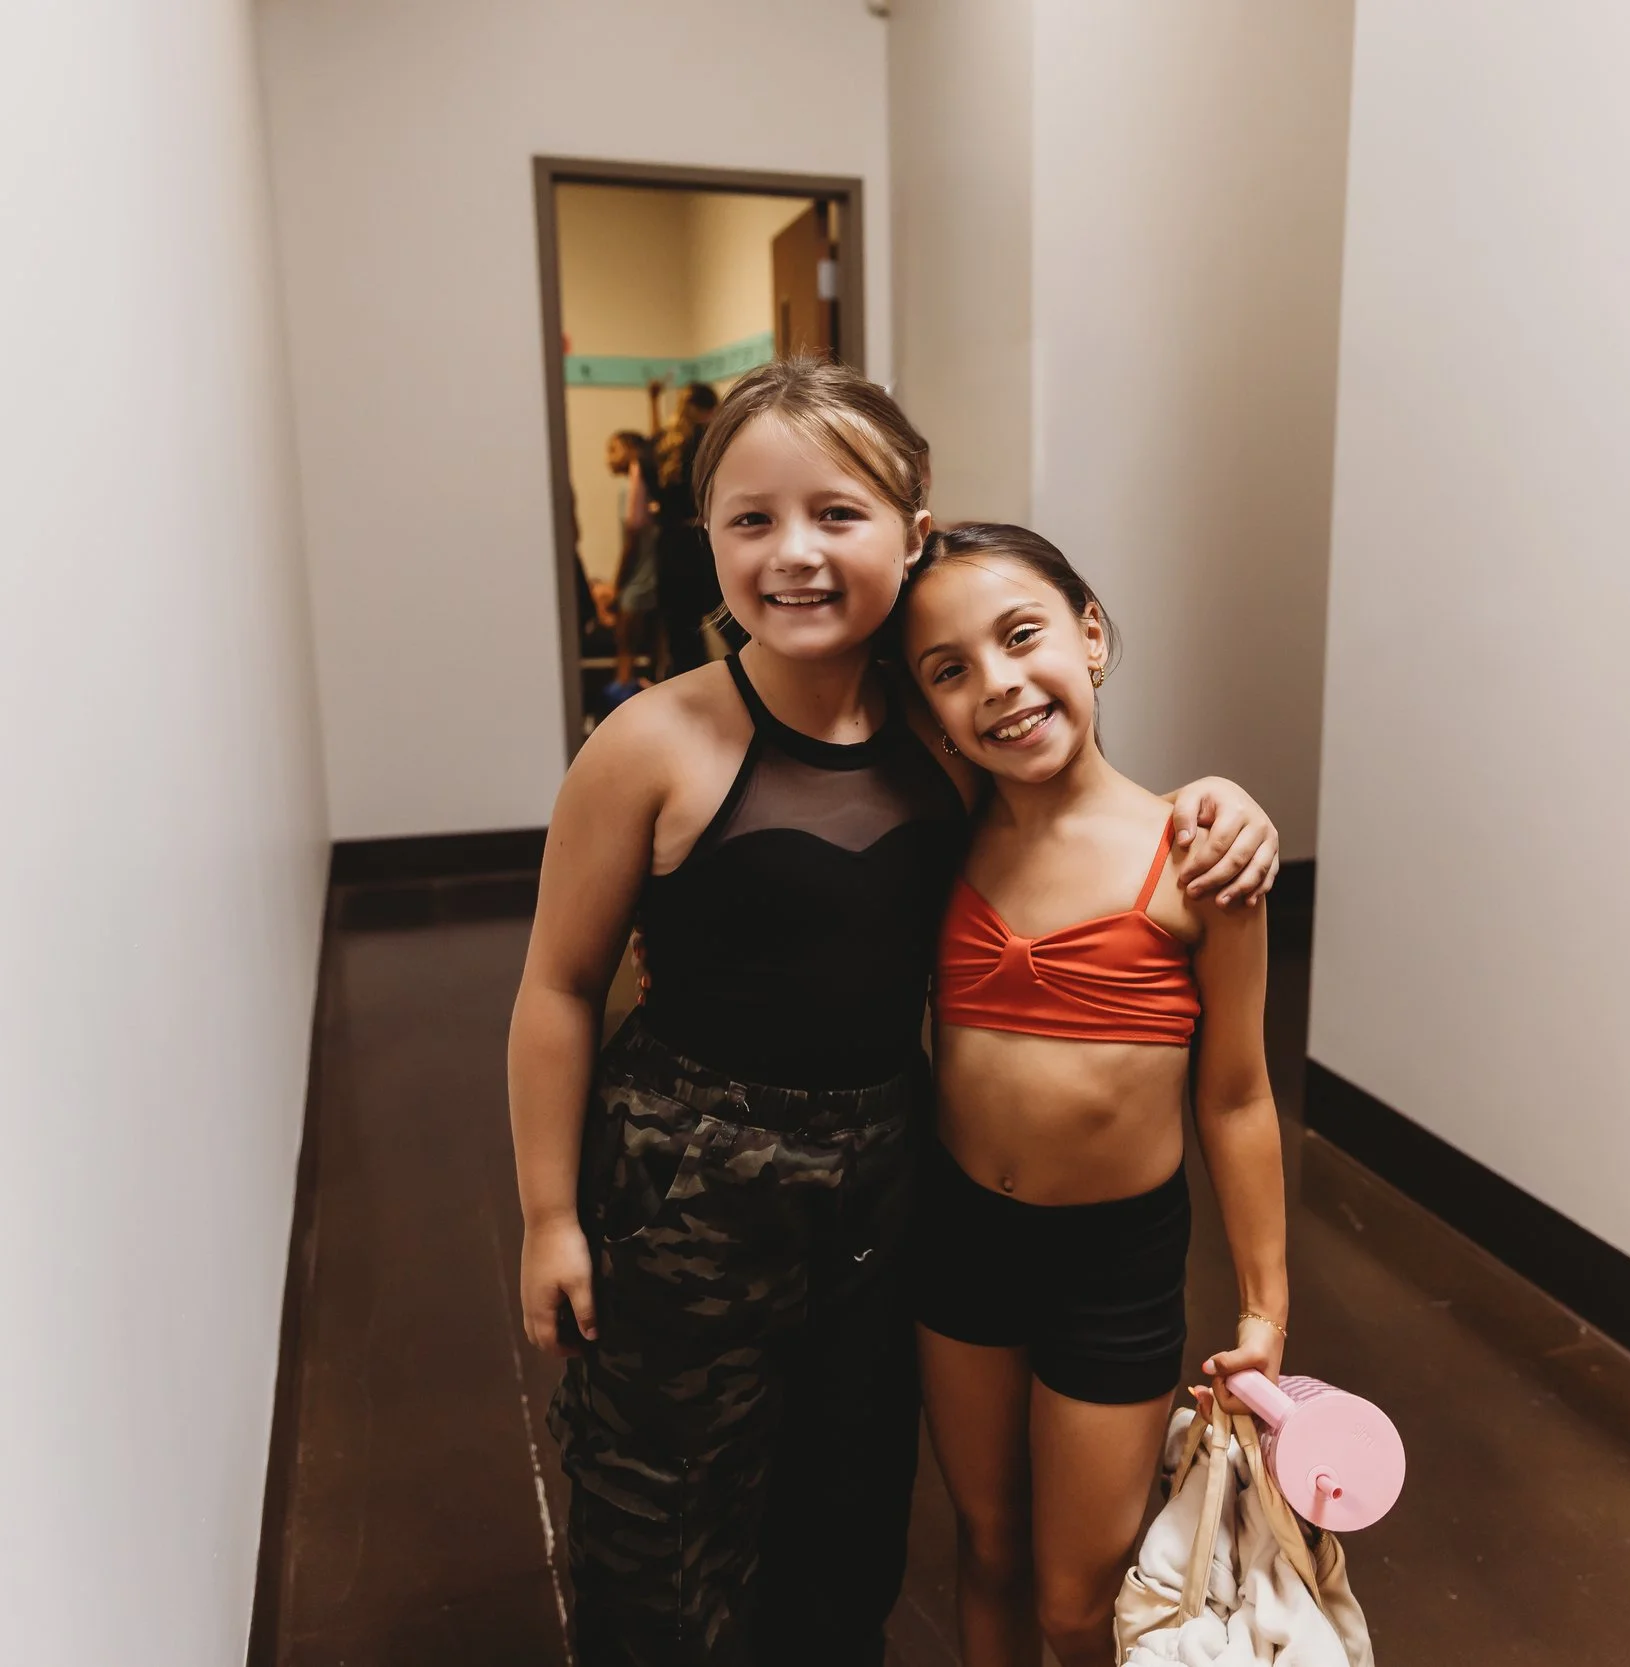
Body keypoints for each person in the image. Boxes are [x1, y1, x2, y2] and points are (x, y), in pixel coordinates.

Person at [507, 358, 1283, 1667]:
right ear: (706, 540)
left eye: (837, 513)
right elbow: (559, 982)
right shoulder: (650, 740)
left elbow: (1072, 797)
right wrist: (544, 1214)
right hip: (687, 1185)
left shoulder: (940, 743)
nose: (794, 551)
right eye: (750, 518)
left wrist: (1222, 801)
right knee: (665, 1507)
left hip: (887, 1185)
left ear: (909, 533)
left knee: (851, 1503)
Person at [897, 524, 1290, 1667]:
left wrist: (1263, 1307)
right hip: (959, 1237)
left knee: (1078, 1600)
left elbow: (1236, 1097)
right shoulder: (939, 847)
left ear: (1091, 633)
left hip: (1113, 1262)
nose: (1000, 685)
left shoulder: (1197, 854)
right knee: (986, 1547)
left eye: (1022, 636)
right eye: (950, 669)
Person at [650, 380, 724, 674]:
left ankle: (690, 705)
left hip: (669, 545)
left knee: (681, 634)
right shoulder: (712, 441)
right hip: (703, 541)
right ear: (713, 408)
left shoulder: (659, 445)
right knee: (734, 623)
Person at [592, 429, 661, 714]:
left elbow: (633, 535)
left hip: (643, 577)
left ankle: (623, 696)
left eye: (613, 449)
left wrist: (618, 583)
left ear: (631, 450)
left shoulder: (638, 483)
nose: (608, 458)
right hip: (640, 576)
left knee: (628, 645)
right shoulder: (633, 486)